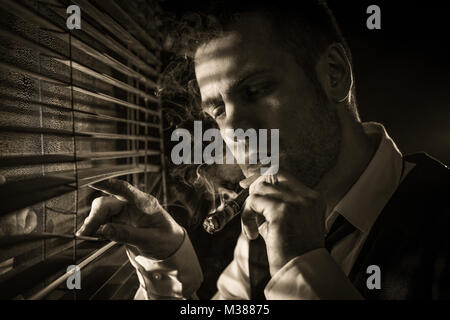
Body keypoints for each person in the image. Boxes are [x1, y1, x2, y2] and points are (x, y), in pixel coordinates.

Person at [76, 0, 450, 299]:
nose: (234, 131)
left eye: (255, 90)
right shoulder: (263, 230)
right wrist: (168, 266)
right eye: (218, 110)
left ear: (333, 74)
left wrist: (300, 267)